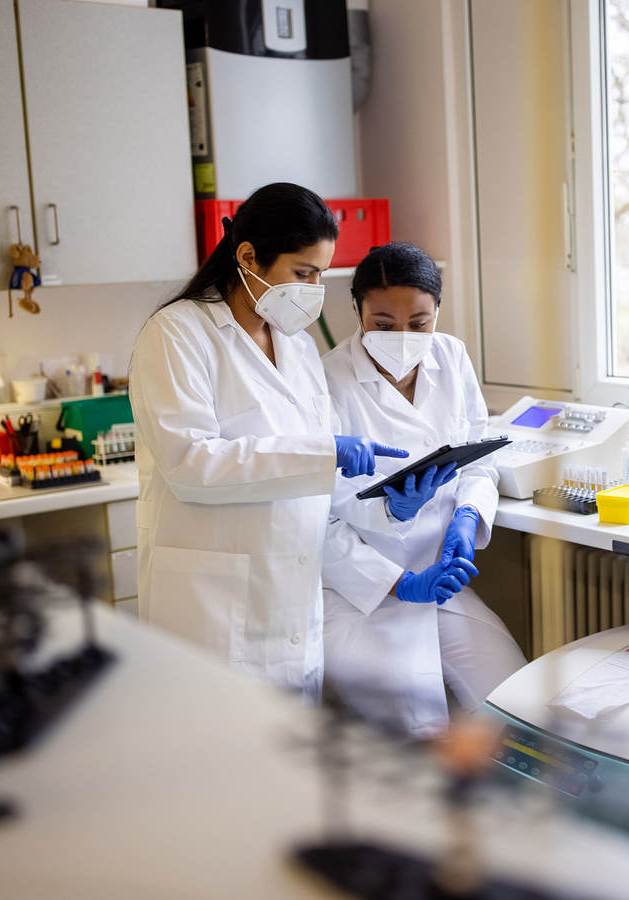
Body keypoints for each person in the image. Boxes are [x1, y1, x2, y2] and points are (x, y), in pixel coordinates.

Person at [130, 183, 407, 695]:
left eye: (321, 274)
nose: (313, 288)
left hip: (292, 607)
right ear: (248, 255)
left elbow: (314, 484)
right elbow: (192, 465)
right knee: (217, 764)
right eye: (303, 273)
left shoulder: (297, 346)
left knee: (290, 765)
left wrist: (388, 505)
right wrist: (325, 453)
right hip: (213, 611)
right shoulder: (176, 334)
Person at [321, 242, 526, 736]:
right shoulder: (326, 380)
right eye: (384, 324)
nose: (403, 337)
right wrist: (398, 582)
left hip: (437, 582)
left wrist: (466, 518)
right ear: (357, 311)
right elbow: (315, 519)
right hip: (361, 596)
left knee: (518, 705)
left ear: (438, 312)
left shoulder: (451, 356)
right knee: (412, 739)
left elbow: (481, 456)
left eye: (419, 323)